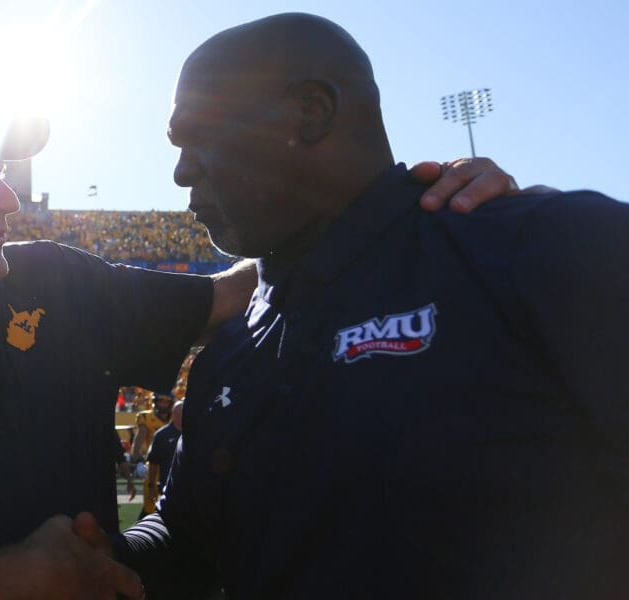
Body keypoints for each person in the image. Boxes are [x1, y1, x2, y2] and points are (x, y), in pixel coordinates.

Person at [0, 83, 516, 599]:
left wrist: (402, 216)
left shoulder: (57, 282)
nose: (9, 201)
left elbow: (238, 292)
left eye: (7, 174)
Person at [120, 13, 629, 599]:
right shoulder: (233, 345)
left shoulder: (543, 249)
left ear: (310, 113)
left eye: (197, 136)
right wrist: (96, 560)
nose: (181, 169)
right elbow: (190, 541)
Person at [142, 400, 183, 514]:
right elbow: (153, 462)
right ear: (174, 414)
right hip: (167, 486)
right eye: (180, 413)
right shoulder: (162, 435)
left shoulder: (192, 433)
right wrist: (151, 485)